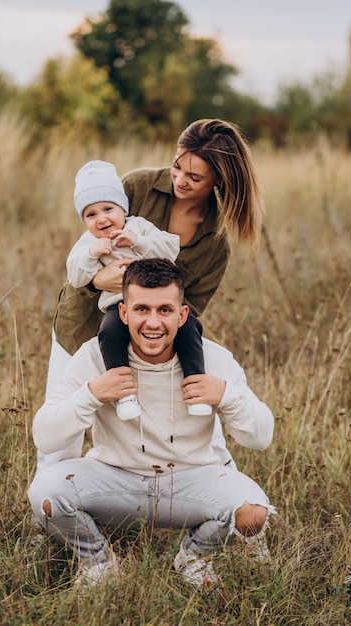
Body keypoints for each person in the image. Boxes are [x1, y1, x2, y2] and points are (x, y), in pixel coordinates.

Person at [29, 259, 276, 591]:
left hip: (189, 479)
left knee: (253, 514)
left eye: (164, 310)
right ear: (124, 313)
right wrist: (92, 394)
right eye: (142, 309)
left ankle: (194, 557)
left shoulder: (213, 359)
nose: (153, 322)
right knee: (46, 493)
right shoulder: (94, 356)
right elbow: (45, 436)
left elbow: (260, 438)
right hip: (115, 478)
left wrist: (226, 396)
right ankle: (99, 563)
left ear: (182, 315)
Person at [42, 118, 263, 468]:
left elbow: (190, 307)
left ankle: (219, 493)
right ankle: (52, 508)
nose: (180, 180)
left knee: (193, 421)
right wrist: (101, 282)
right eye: (177, 166)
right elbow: (87, 247)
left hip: (150, 339)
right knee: (62, 428)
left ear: (218, 180)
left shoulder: (215, 242)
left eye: (195, 177)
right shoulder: (136, 186)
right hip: (83, 321)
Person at [67, 159, 211, 421]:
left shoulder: (139, 227)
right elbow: (75, 276)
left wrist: (138, 242)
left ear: (122, 208)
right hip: (118, 306)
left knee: (190, 327)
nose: (101, 219)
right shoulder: (88, 242)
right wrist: (92, 255)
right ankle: (124, 395)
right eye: (91, 214)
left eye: (108, 209)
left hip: (156, 301)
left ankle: (195, 385)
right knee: (109, 333)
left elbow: (170, 250)